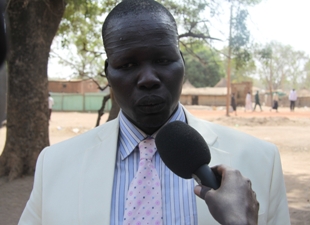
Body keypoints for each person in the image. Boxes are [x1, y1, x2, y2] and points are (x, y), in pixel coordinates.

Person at [19, 1, 290, 224]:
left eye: (162, 60)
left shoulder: (262, 161)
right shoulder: (54, 165)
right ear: (108, 74)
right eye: (127, 64)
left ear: (182, 64)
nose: (148, 78)